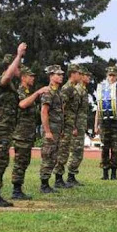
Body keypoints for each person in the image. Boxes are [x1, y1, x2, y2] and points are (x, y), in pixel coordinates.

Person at [0, 44, 26, 207]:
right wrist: (18, 56)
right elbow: (7, 76)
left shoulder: (12, 85)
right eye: (18, 67)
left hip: (7, 128)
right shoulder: (2, 81)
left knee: (3, 160)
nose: (20, 70)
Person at [11, 66, 49, 199]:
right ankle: (16, 190)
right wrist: (38, 93)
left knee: (24, 161)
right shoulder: (20, 91)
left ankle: (18, 188)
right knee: (20, 162)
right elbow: (22, 104)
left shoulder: (28, 92)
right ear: (23, 77)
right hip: (21, 134)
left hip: (28, 134)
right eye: (30, 76)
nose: (33, 78)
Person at [94, 66, 117, 180]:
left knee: (115, 149)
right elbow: (99, 108)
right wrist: (96, 125)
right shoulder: (102, 89)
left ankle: (114, 173)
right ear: (107, 76)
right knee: (104, 148)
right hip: (104, 123)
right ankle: (104, 173)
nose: (112, 78)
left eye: (114, 75)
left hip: (116, 124)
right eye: (110, 75)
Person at [52, 63, 82, 188]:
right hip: (65, 126)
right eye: (78, 73)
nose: (80, 76)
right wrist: (63, 126)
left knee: (65, 151)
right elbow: (61, 107)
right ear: (73, 74)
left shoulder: (73, 88)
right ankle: (58, 179)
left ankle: (60, 178)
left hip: (69, 125)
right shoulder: (67, 88)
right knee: (63, 152)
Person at [39, 65, 65, 193]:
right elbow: (44, 112)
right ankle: (44, 184)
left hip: (57, 130)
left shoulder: (57, 92)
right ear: (51, 76)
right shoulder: (48, 92)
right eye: (58, 75)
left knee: (54, 157)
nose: (61, 77)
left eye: (61, 75)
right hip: (50, 130)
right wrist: (47, 131)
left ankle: (47, 183)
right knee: (48, 156)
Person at [66, 66, 91, 186]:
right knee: (75, 151)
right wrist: (74, 127)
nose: (88, 77)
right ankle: (69, 177)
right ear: (81, 76)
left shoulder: (84, 90)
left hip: (81, 125)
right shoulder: (77, 90)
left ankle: (72, 175)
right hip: (76, 126)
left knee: (79, 151)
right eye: (86, 75)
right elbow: (73, 110)